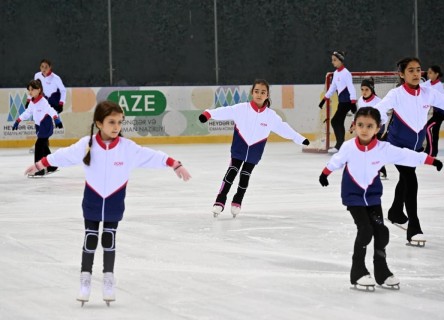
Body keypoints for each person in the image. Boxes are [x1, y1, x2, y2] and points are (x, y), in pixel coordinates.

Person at [24, 101, 191, 306]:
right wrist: (40, 164)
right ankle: (85, 280)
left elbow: (151, 156)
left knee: (109, 240)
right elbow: (64, 155)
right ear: (99, 123)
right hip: (93, 199)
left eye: (120, 122)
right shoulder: (87, 144)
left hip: (114, 199)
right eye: (111, 122)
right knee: (91, 239)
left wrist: (175, 164)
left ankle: (108, 280)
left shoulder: (127, 148)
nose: (116, 127)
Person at [318, 107, 443, 288]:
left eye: (369, 126)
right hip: (353, 196)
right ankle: (358, 270)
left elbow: (406, 155)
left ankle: (381, 271)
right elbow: (336, 161)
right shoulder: (348, 147)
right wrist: (325, 173)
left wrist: (430, 160)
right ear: (354, 125)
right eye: (360, 125)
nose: (364, 129)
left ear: (378, 129)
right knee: (365, 230)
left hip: (373, 195)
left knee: (381, 232)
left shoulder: (384, 149)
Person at [374, 57, 444, 243]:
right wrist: (371, 123)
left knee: (406, 178)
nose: (416, 74)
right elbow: (379, 111)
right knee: (410, 179)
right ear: (402, 74)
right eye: (411, 71)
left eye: (418, 70)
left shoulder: (428, 93)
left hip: (415, 147)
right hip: (396, 145)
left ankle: (396, 211)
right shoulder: (396, 94)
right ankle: (414, 227)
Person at [199, 79, 309, 218]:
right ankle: (220, 200)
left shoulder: (270, 116)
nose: (259, 94)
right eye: (257, 91)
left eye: (263, 92)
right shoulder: (241, 109)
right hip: (240, 147)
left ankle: (238, 200)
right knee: (232, 172)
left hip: (255, 151)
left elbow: (284, 128)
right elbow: (225, 111)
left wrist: (299, 138)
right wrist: (208, 114)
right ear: (252, 92)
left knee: (245, 176)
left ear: (267, 95)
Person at [12, 79, 63, 176]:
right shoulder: (32, 102)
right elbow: (27, 113)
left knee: (39, 146)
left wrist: (56, 119)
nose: (30, 92)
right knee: (43, 146)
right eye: (29, 90)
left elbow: (51, 110)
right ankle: (52, 166)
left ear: (39, 89)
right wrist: (18, 120)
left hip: (46, 125)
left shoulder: (43, 101)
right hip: (39, 126)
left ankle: (39, 170)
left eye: (32, 90)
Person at [318, 51, 357, 154]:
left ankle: (339, 145)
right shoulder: (336, 73)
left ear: (340, 60)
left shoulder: (346, 73)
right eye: (332, 60)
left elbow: (351, 87)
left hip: (347, 102)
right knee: (338, 121)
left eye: (334, 60)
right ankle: (341, 145)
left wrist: (353, 102)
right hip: (342, 102)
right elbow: (333, 87)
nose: (332, 62)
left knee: (335, 121)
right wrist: (324, 99)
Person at [356, 77, 387, 178]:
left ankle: (380, 171)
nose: (364, 92)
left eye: (366, 89)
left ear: (372, 89)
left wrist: (378, 127)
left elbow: (384, 117)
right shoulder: (360, 100)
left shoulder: (378, 101)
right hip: (367, 129)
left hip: (378, 129)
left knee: (374, 150)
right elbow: (359, 114)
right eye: (362, 89)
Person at [421, 65, 444, 157]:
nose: (428, 74)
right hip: (437, 112)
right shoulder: (429, 82)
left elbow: (435, 100)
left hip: (442, 112)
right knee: (435, 131)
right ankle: (433, 151)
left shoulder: (438, 86)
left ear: (437, 74)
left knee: (428, 127)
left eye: (430, 72)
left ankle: (430, 150)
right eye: (428, 72)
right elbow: (420, 86)